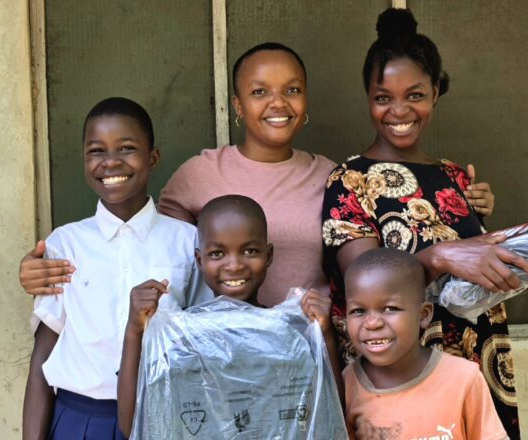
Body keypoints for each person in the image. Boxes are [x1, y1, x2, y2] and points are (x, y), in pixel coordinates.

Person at [321, 8, 528, 439]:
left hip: (476, 361)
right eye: (383, 97)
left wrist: (482, 223)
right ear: (367, 96)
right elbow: (360, 279)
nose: (399, 110)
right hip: (395, 378)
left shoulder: (456, 177)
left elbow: (473, 264)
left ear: (436, 92)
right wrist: (442, 254)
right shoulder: (349, 180)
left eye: (414, 94)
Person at [19, 42, 335, 308]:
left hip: (308, 350)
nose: (277, 103)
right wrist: (42, 269)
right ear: (238, 106)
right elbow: (150, 247)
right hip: (217, 353)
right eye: (259, 91)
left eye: (292, 89)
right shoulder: (200, 173)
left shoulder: (332, 177)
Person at [22, 97, 212, 440]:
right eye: (96, 151)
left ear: (153, 158)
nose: (110, 162)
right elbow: (42, 359)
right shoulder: (65, 245)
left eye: (126, 148)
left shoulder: (188, 242)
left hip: (168, 417)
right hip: (81, 420)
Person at [116, 195, 339, 437]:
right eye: (217, 254)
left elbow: (327, 415)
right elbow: (134, 425)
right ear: (199, 260)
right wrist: (134, 331)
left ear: (269, 256)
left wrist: (324, 336)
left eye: (250, 251)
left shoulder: (290, 333)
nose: (234, 265)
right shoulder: (180, 339)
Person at [343, 248, 509, 440]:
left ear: (423, 315)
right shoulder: (347, 385)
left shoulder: (463, 378)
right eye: (358, 311)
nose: (372, 323)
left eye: (390, 308)